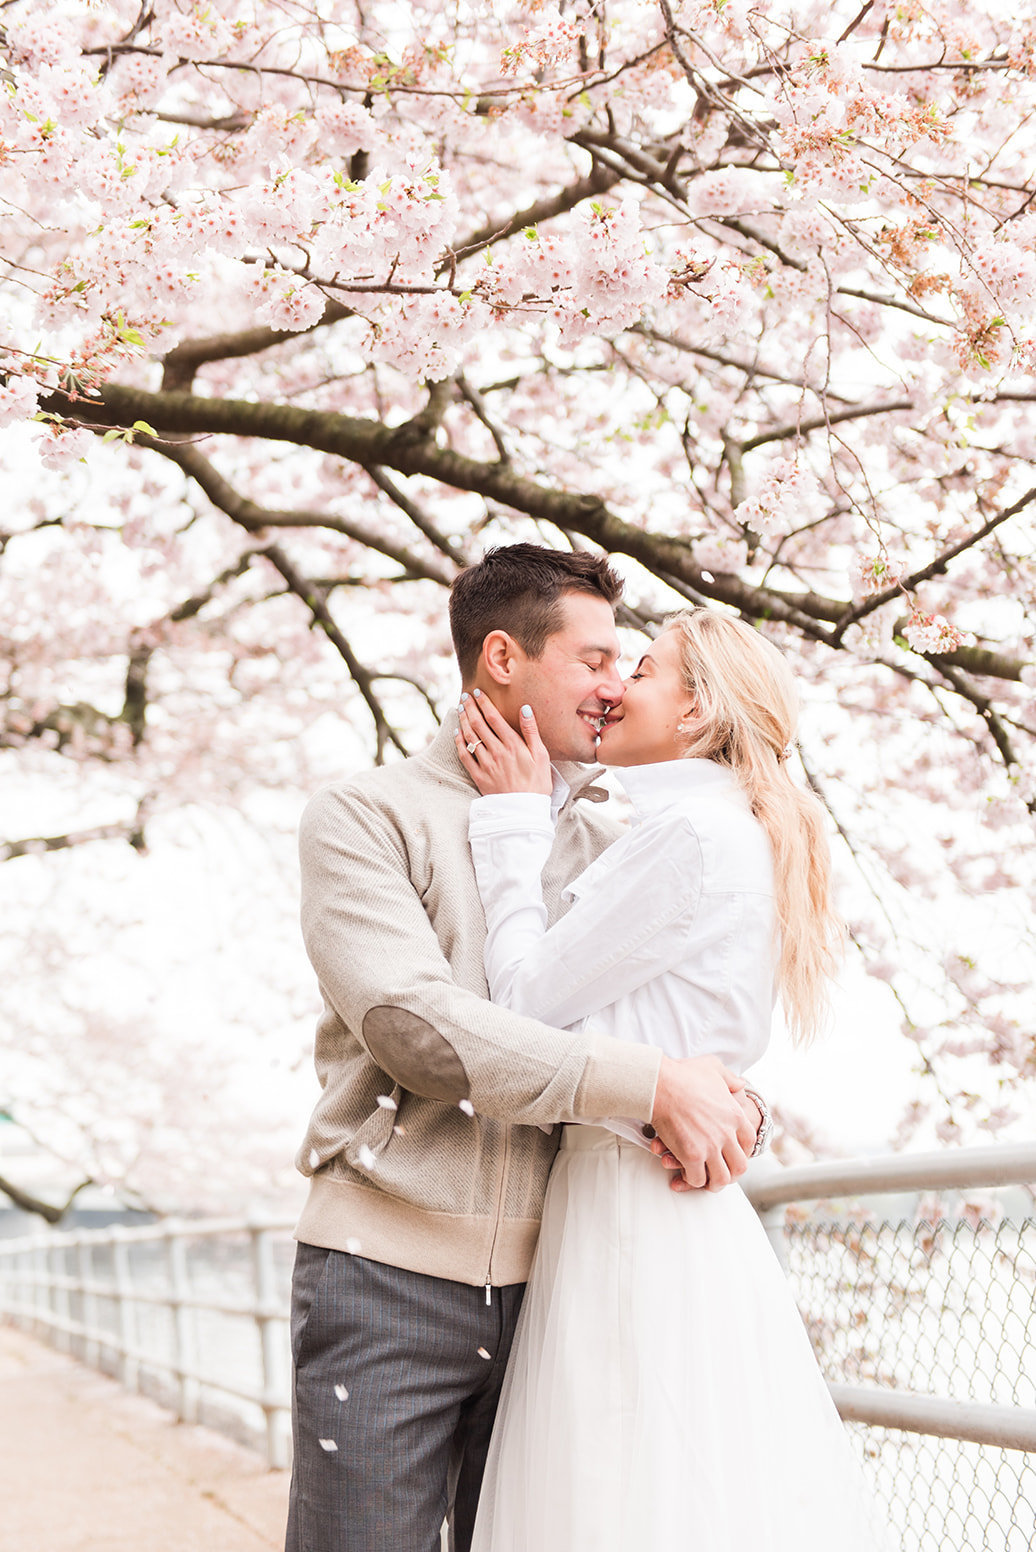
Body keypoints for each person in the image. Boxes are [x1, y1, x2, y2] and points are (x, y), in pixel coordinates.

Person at [285, 546, 767, 1552]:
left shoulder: (618, 841)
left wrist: (731, 1104)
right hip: (388, 1277)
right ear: (503, 658)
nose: (610, 688)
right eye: (594, 661)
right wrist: (650, 1086)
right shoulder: (367, 817)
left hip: (567, 1285)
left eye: (626, 667)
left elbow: (669, 1019)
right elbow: (417, 1027)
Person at [457, 609, 893, 1552]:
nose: (617, 687)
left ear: (697, 713)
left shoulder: (691, 835)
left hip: (628, 1200)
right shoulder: (717, 828)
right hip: (662, 1198)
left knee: (615, 1483)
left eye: (645, 672)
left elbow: (525, 1002)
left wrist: (506, 824)